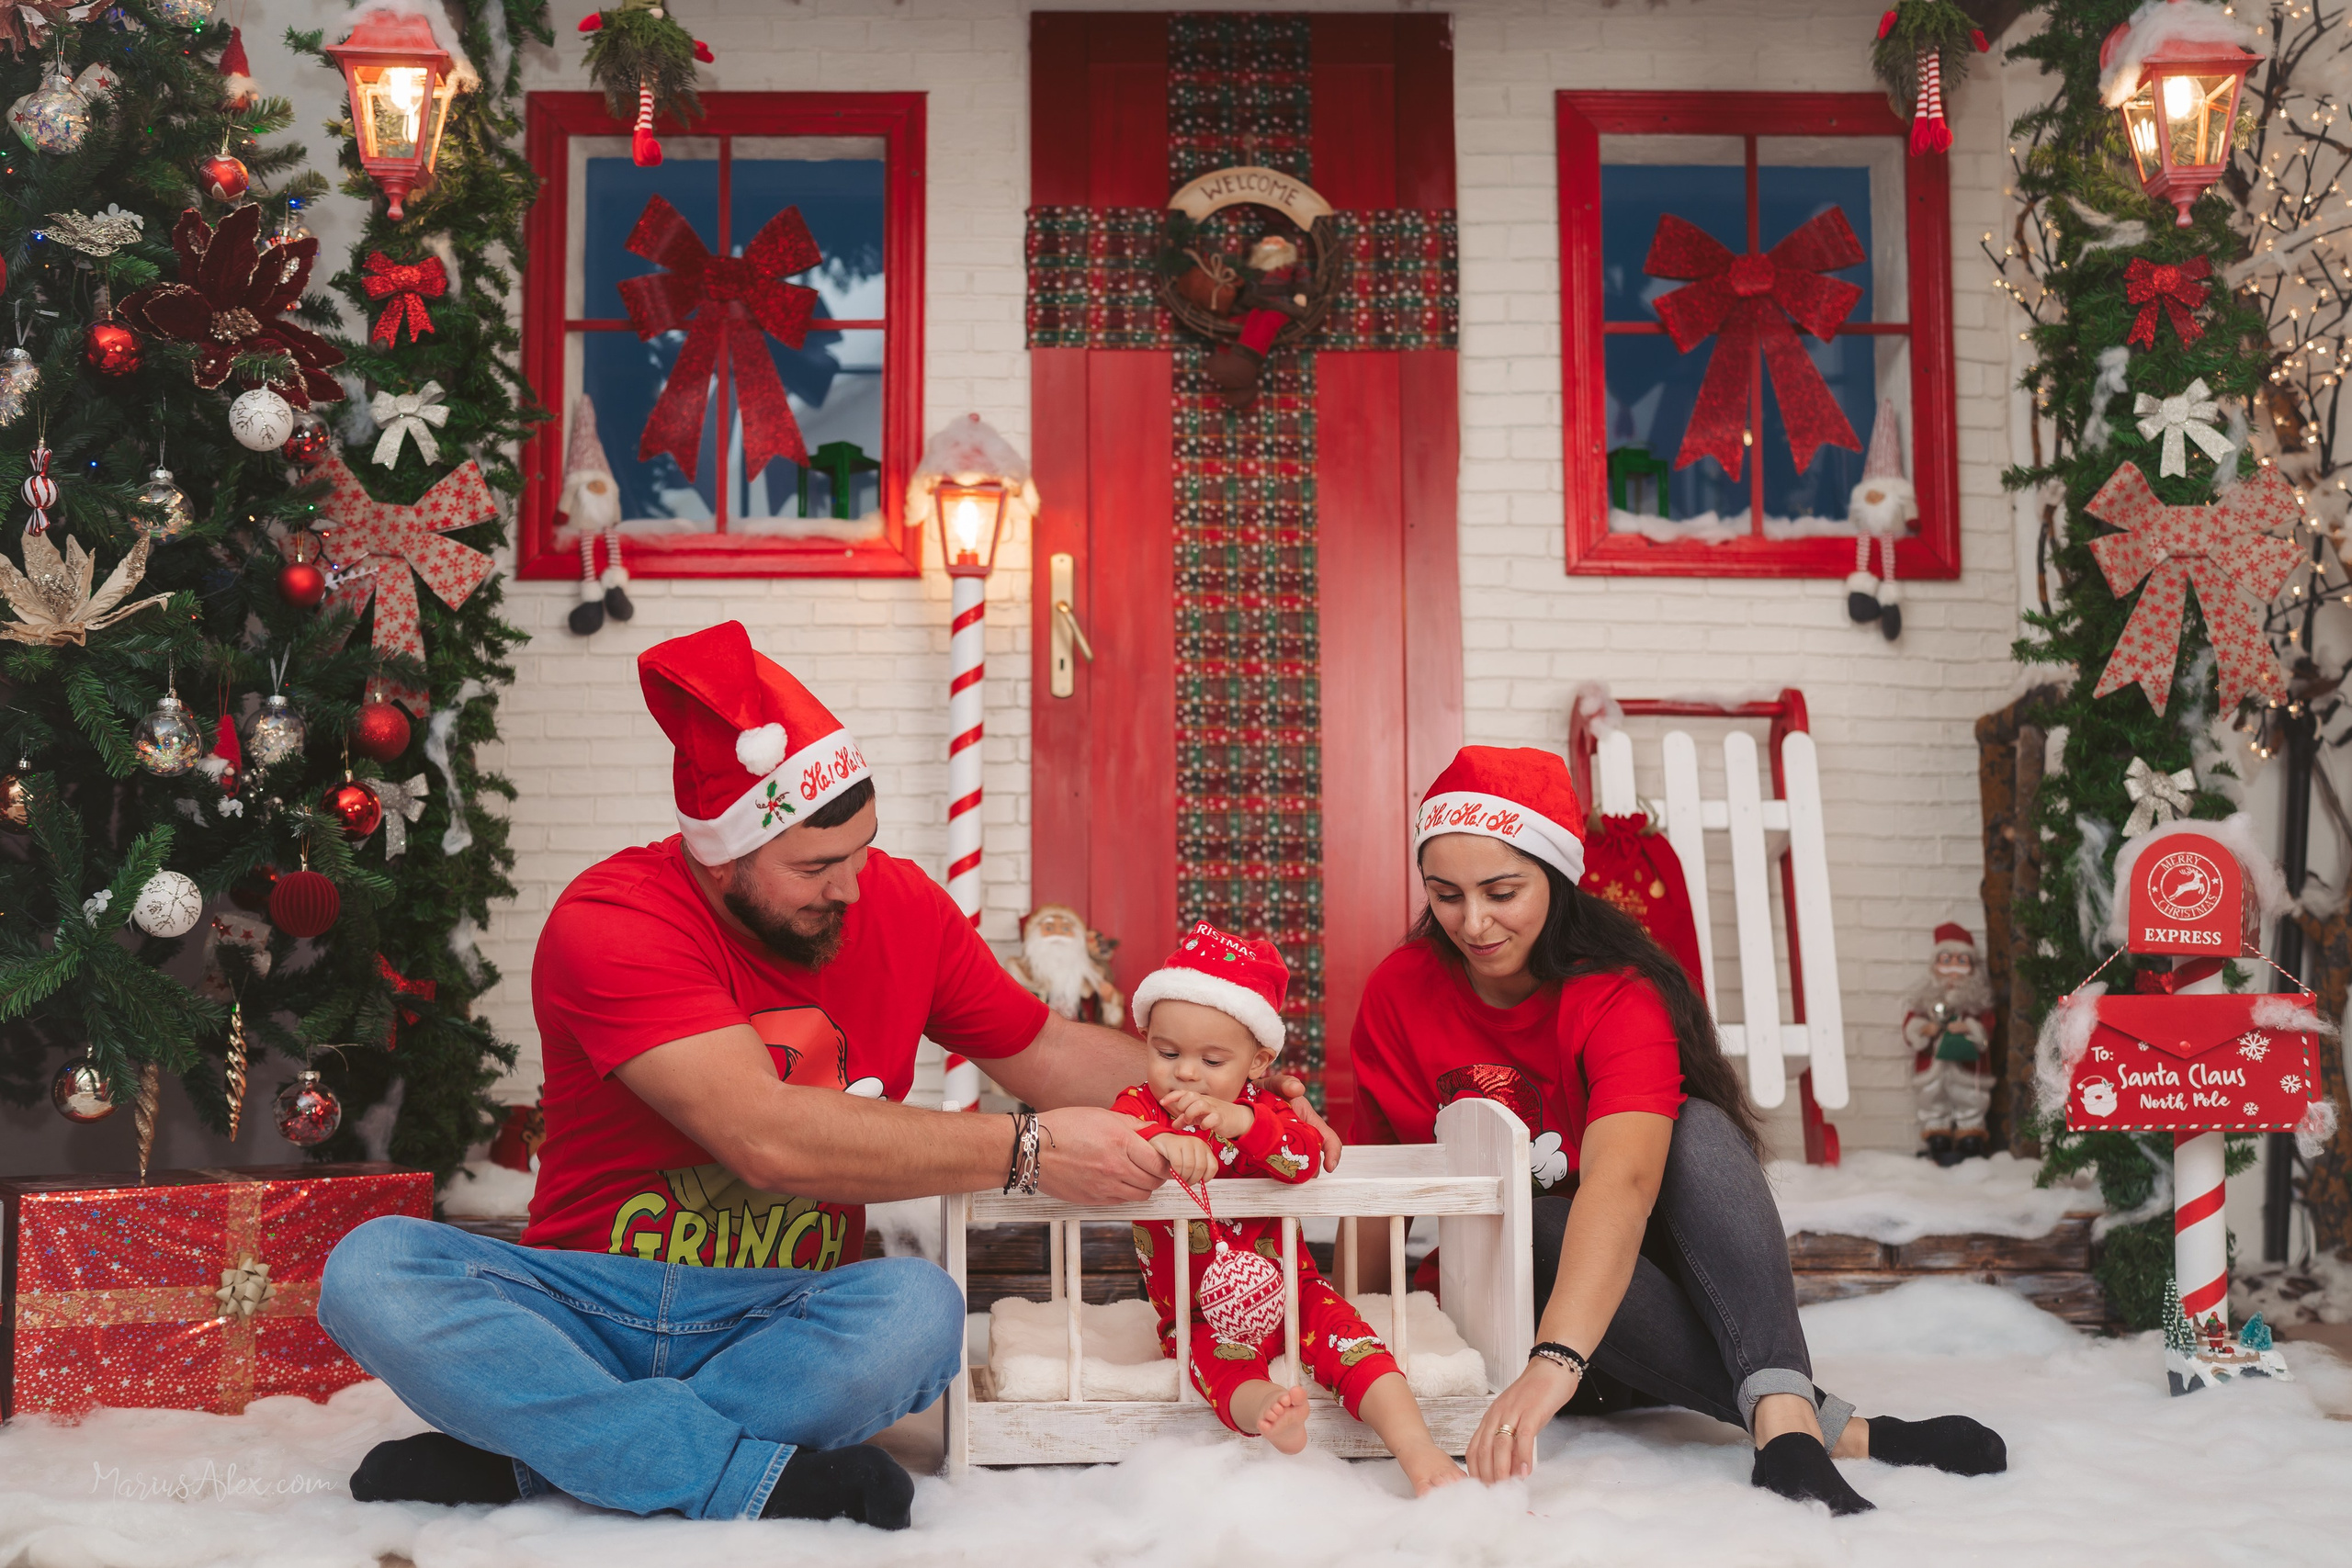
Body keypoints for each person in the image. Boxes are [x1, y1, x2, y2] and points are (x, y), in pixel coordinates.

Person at [316, 621, 1337, 1529]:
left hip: (780, 1316)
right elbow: (765, 1135)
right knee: (372, 1269)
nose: (853, 885)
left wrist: (1212, 1083)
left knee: (917, 1313)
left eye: (862, 849)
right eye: (814, 868)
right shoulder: (614, 921)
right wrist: (1024, 1150)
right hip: (587, 1308)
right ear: (721, 858)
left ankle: (540, 1460)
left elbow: (1049, 1050)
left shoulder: (895, 905)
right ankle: (745, 1477)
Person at [1349, 746, 2007, 1515]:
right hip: (1514, 1327)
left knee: (1693, 1128)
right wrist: (1349, 1348)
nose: (1473, 921)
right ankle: (1839, 1431)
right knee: (1529, 1216)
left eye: (1501, 891)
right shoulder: (1401, 990)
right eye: (1446, 895)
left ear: (1557, 879)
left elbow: (1624, 1185)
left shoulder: (1615, 990)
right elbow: (1376, 1185)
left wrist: (1557, 1358)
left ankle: (1787, 1419)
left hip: (1623, 1320)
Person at [1114, 922, 1464, 1495]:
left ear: (1258, 1061)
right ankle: (1271, 1411)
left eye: (1212, 1060)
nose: (1185, 1073)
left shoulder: (1269, 1107)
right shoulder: (1139, 1105)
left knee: (1357, 1346)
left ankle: (1417, 1448)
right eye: (1167, 1051)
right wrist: (1159, 1141)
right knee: (1218, 1369)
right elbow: (1119, 1138)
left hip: (1295, 1293)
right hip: (1198, 1312)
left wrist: (1244, 1124)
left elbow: (1305, 1159)